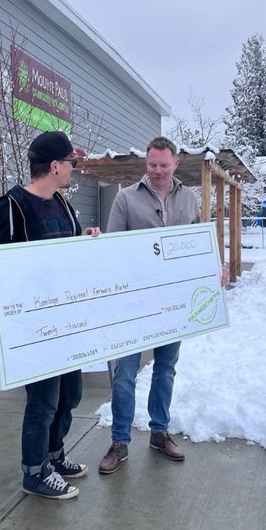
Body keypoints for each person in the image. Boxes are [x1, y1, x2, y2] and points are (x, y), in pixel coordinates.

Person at [0, 131, 100, 501]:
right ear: (55, 166)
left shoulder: (62, 205)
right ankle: (34, 472)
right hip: (34, 326)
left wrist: (88, 238)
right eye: (71, 162)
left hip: (66, 322)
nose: (74, 168)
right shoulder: (11, 207)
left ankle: (53, 455)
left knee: (70, 394)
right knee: (43, 399)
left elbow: (70, 252)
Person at [98, 136, 201, 474]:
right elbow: (112, 249)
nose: (157, 171)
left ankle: (160, 432)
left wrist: (213, 268)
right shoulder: (125, 199)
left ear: (175, 164)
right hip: (134, 304)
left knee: (165, 369)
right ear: (147, 164)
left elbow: (198, 247)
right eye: (152, 165)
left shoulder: (189, 199)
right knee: (125, 374)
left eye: (163, 165)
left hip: (172, 304)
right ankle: (119, 441)